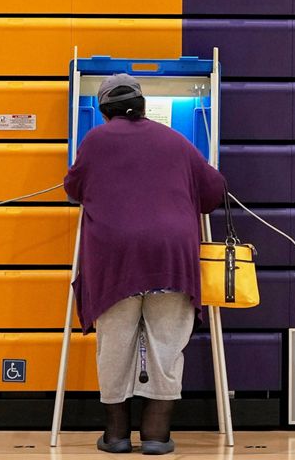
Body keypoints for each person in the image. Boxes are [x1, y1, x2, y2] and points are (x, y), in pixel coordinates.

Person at [64, 74, 226, 455]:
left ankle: (116, 436)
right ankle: (156, 437)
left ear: (104, 110)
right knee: (166, 347)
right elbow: (213, 190)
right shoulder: (175, 139)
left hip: (115, 261)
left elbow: (74, 188)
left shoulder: (95, 140)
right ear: (142, 104)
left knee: (115, 346)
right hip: (171, 258)